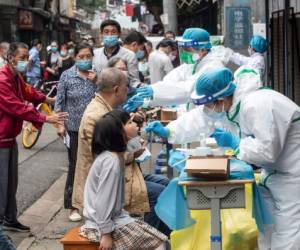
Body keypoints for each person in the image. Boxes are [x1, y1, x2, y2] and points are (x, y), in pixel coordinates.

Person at [156, 66, 300, 250]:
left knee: (289, 231)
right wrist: (170, 131)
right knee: (268, 228)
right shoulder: (232, 105)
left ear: (221, 100)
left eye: (209, 104)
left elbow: (267, 151)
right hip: (275, 174)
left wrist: (237, 144)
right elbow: (202, 120)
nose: (208, 110)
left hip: (293, 174)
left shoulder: (259, 104)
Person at [0, 42, 68, 232]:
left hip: (9, 138)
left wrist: (48, 99)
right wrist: (47, 118)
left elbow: (28, 91)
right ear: (10, 57)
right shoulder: (2, 80)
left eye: (26, 58)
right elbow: (17, 107)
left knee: (11, 184)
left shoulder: (15, 77)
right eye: (21, 58)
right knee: (2, 185)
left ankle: (10, 219)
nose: (25, 61)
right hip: (1, 140)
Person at [80, 110, 167, 250]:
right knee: (160, 244)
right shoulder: (111, 161)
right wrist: (106, 234)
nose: (135, 124)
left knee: (160, 239)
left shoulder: (115, 156)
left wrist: (134, 146)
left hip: (113, 220)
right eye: (129, 122)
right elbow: (103, 201)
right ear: (119, 132)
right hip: (101, 226)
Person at [124, 28, 225, 111]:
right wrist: (147, 98)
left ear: (202, 49)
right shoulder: (192, 64)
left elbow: (187, 90)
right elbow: (170, 81)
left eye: (187, 49)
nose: (184, 53)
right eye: (183, 49)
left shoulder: (213, 67)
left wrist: (154, 92)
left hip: (211, 117)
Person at [55, 43, 97, 222]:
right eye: (82, 56)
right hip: (73, 129)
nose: (85, 60)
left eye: (88, 56)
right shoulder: (67, 75)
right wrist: (60, 124)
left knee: (96, 166)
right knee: (75, 166)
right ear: (75, 58)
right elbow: (59, 101)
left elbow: (106, 96)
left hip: (96, 129)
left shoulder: (98, 75)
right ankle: (73, 205)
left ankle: (93, 205)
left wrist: (96, 82)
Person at [93, 20, 140, 87]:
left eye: (113, 32)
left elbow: (134, 81)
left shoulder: (129, 55)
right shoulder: (95, 54)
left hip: (122, 94)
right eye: (106, 32)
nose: (110, 35)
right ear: (101, 34)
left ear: (119, 34)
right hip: (101, 94)